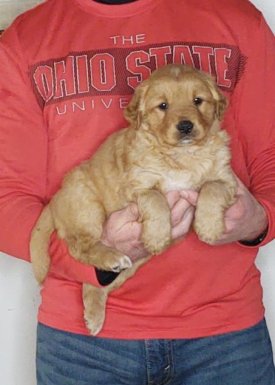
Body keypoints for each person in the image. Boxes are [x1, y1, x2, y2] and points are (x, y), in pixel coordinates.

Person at [0, 0, 275, 383]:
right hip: (82, 347)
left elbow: (270, 158)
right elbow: (7, 197)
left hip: (225, 337)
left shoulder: (237, 19)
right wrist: (93, 260)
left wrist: (260, 219)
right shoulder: (26, 39)